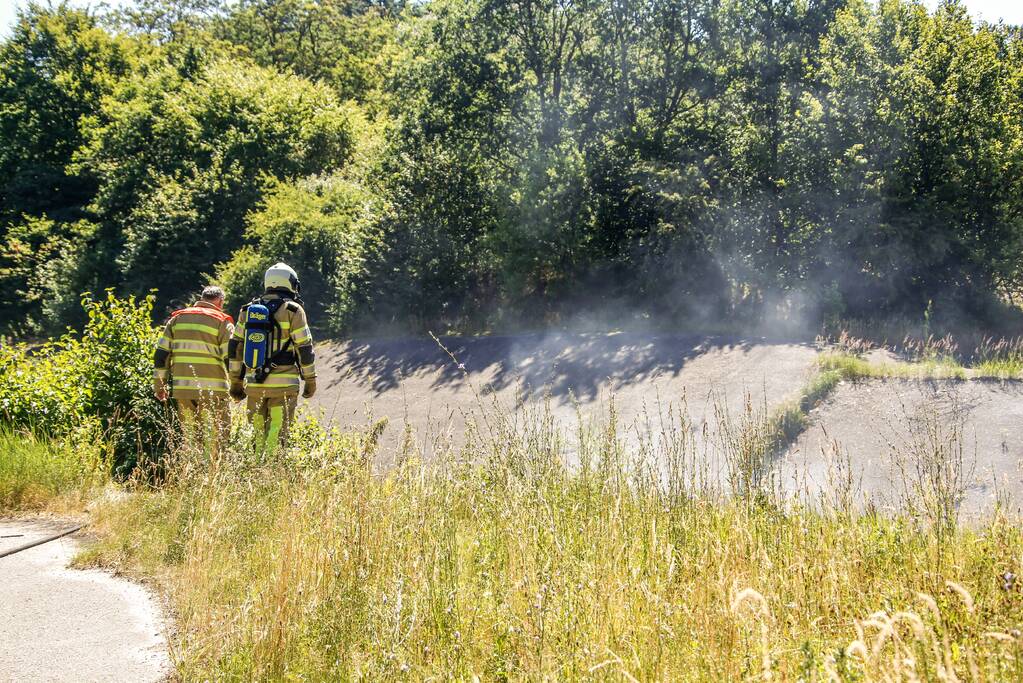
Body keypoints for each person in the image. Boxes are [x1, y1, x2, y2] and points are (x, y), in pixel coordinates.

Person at [228, 263, 317, 453]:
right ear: (291, 284)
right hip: (283, 387)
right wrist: (310, 379)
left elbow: (235, 347)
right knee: (277, 436)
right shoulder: (293, 310)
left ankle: (257, 473)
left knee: (258, 436)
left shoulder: (247, 310)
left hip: (255, 386)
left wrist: (235, 381)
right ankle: (271, 474)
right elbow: (305, 347)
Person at [153, 285, 235, 456]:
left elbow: (161, 355)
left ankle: (191, 475)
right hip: (213, 393)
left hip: (183, 392)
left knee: (190, 439)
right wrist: (238, 387)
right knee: (215, 440)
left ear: (202, 298)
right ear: (220, 301)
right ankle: (210, 479)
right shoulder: (222, 321)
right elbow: (231, 358)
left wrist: (159, 386)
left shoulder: (177, 319)